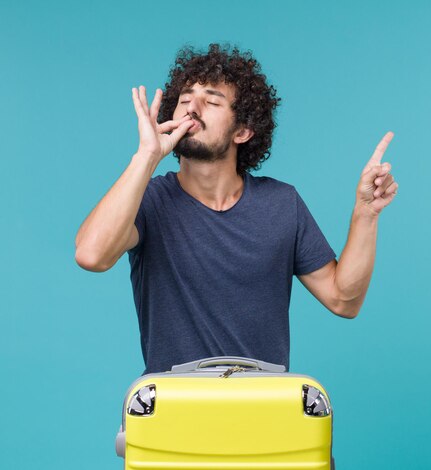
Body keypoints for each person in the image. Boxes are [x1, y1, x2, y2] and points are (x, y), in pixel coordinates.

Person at [74, 44, 398, 374]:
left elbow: (344, 300)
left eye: (211, 101)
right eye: (185, 99)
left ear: (242, 131)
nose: (192, 107)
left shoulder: (281, 204)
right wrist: (146, 157)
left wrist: (366, 213)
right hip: (173, 411)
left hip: (263, 410)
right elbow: (91, 255)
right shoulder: (148, 200)